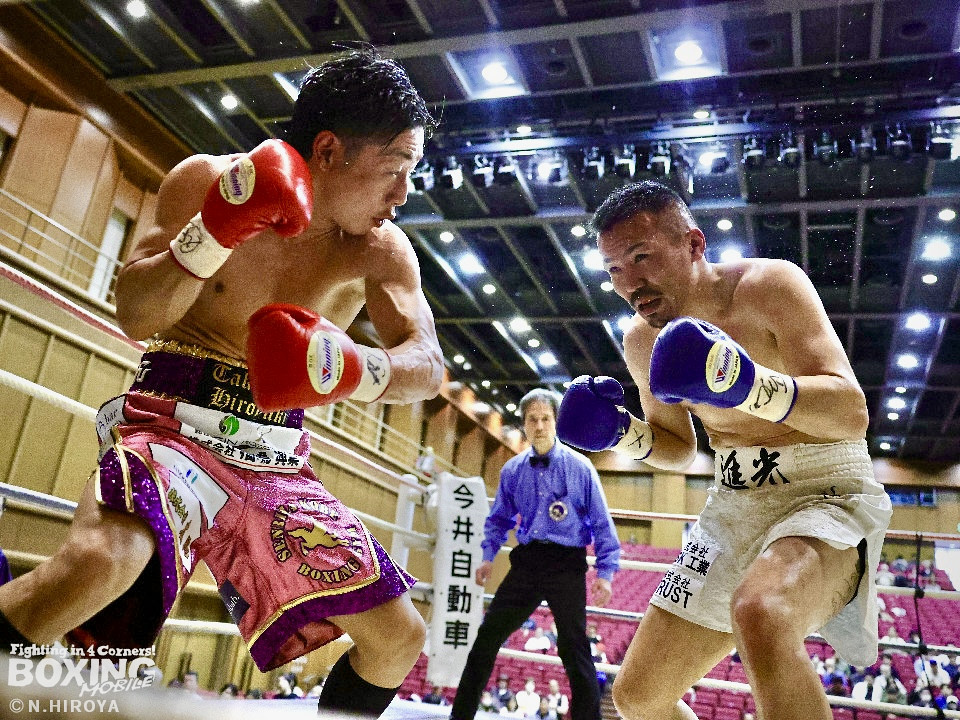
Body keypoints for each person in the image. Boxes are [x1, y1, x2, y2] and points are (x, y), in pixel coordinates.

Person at [0, 47, 443, 720]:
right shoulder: (208, 180)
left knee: (398, 637)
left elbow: (428, 364)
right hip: (171, 423)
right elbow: (135, 313)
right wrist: (214, 231)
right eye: (396, 168)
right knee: (98, 566)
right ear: (329, 151)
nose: (404, 193)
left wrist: (354, 366)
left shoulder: (380, 248)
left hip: (276, 458)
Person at [555, 180, 892, 720]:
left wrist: (749, 385)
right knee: (638, 697)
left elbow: (851, 412)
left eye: (641, 258)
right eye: (614, 269)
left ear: (693, 244)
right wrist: (622, 434)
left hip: (825, 489)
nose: (630, 284)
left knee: (762, 613)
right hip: (733, 502)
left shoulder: (769, 285)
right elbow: (677, 449)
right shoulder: (642, 339)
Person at [450, 388, 621, 720]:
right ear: (524, 424)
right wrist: (487, 557)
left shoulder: (581, 468)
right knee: (487, 638)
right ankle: (460, 717)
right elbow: (498, 519)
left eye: (545, 418)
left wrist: (605, 574)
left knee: (574, 648)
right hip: (527, 562)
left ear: (556, 422)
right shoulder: (513, 470)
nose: (540, 426)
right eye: (532, 420)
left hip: (567, 564)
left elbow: (602, 523)